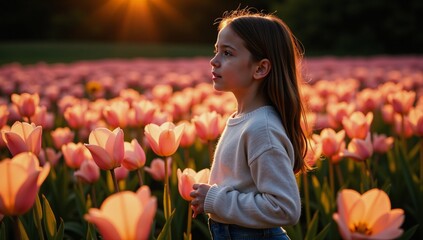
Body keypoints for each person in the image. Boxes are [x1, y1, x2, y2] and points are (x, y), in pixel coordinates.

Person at [189, 8, 310, 240]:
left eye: (227, 53)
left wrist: (216, 200)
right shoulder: (244, 120)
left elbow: (285, 208)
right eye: (216, 51)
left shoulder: (260, 129)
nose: (214, 61)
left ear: (260, 68)